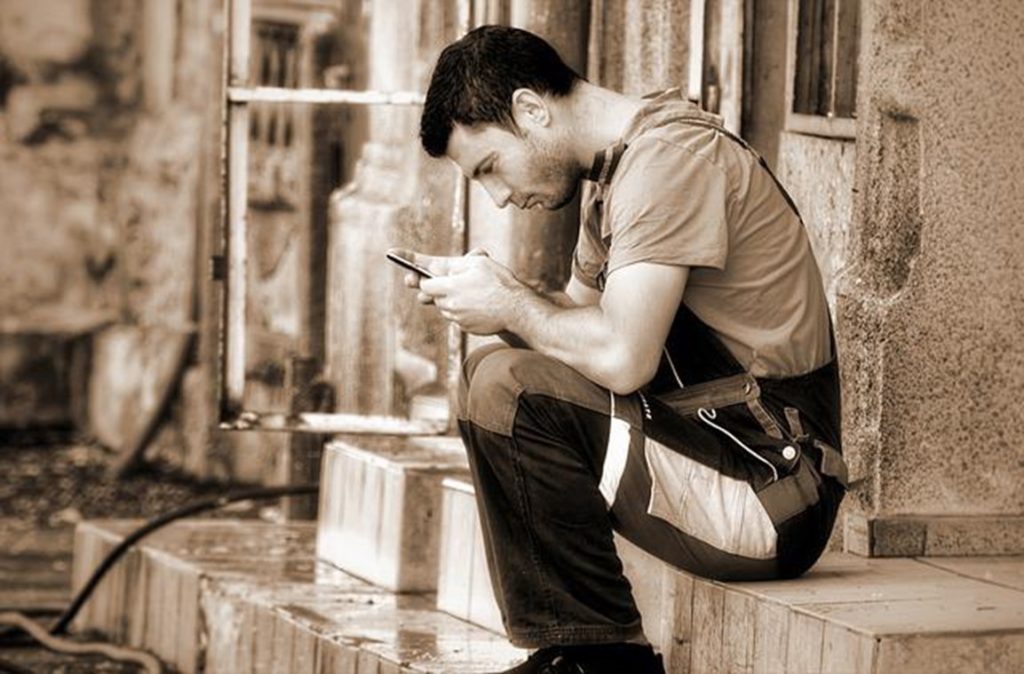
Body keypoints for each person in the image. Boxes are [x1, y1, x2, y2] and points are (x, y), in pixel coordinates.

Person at [397, 25, 849, 674]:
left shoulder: (669, 162)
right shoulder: (621, 173)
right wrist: (487, 301)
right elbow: (572, 337)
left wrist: (514, 306)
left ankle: (602, 658)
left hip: (774, 490)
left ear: (530, 109)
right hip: (720, 453)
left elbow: (623, 359)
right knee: (490, 374)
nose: (500, 197)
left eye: (490, 167)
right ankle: (567, 650)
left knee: (507, 389)